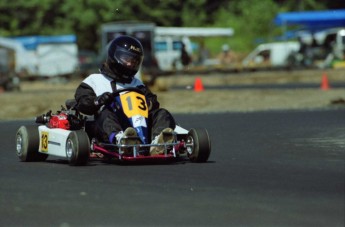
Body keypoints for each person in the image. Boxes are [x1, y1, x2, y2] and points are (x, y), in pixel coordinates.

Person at [74, 35, 176, 155]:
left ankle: (157, 144)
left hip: (137, 125)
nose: (130, 64)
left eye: (134, 61)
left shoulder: (137, 84)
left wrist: (149, 103)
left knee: (162, 113)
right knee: (105, 112)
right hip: (105, 130)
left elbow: (153, 103)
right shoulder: (94, 80)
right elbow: (82, 103)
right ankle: (122, 141)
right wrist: (98, 101)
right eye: (127, 59)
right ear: (114, 56)